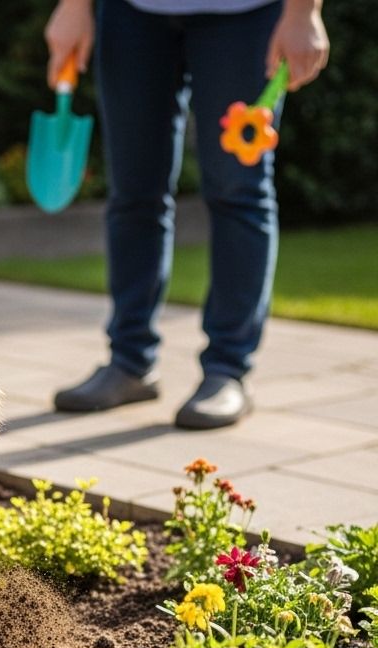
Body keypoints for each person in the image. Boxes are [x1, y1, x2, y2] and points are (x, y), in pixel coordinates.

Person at [46, 0, 329, 428]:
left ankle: (227, 371)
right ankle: (129, 362)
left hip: (247, 15)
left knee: (238, 192)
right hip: (132, 13)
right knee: (133, 193)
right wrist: (73, 6)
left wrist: (303, 12)